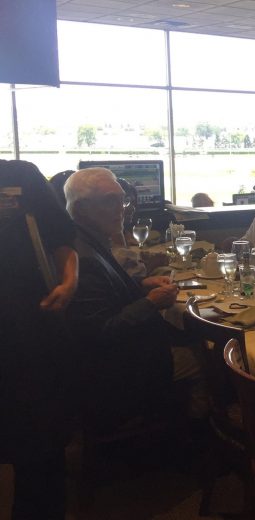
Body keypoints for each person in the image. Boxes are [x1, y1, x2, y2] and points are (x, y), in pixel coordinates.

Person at [64, 167, 206, 428]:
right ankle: (197, 436)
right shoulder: (83, 257)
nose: (122, 209)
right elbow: (101, 330)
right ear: (82, 208)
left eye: (123, 200)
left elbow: (107, 295)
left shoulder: (87, 241)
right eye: (110, 201)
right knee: (206, 357)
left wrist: (140, 284)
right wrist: (151, 302)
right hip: (119, 370)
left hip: (120, 356)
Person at [1, 160, 79, 519]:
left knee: (40, 445)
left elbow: (62, 238)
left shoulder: (19, 176)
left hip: (29, 329)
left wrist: (69, 281)